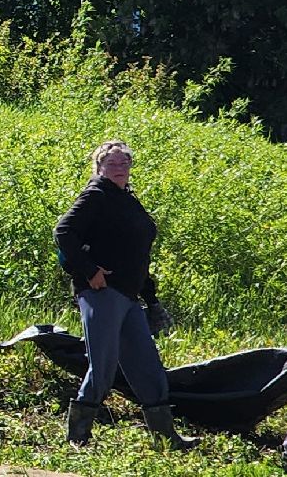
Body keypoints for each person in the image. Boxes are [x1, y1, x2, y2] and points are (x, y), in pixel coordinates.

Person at [54, 140, 195, 449]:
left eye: (124, 163)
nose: (119, 169)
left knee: (148, 367)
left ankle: (166, 437)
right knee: (102, 367)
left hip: (130, 297)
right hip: (101, 293)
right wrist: (90, 271)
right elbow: (63, 231)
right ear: (100, 167)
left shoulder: (127, 198)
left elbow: (136, 252)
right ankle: (78, 438)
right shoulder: (96, 195)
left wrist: (151, 297)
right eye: (112, 164)